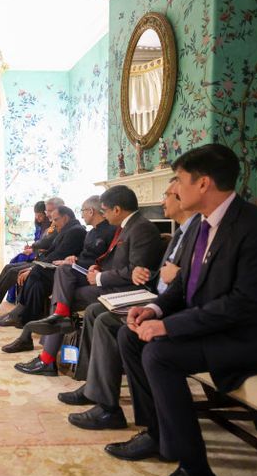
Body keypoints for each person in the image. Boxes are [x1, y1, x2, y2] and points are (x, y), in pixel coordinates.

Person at [108, 144, 257, 476]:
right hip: (215, 326)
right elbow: (182, 285)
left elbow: (242, 304)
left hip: (251, 337)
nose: (174, 189)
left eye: (179, 179)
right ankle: (158, 434)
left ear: (203, 183)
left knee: (160, 354)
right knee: (129, 336)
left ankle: (195, 473)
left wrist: (168, 326)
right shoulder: (198, 226)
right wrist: (153, 309)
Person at [63, 181, 199, 431]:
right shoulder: (179, 232)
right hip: (151, 294)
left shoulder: (145, 228)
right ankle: (94, 386)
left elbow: (176, 277)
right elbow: (153, 271)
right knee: (92, 310)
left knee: (102, 317)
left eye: (168, 194)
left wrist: (118, 276)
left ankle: (106, 404)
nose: (162, 201)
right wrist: (142, 273)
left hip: (149, 297)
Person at [9, 185, 163, 376]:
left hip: (125, 290)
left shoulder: (141, 228)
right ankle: (54, 337)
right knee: (64, 273)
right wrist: (97, 267)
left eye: (105, 210)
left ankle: (48, 356)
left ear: (116, 210)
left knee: (62, 299)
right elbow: (116, 261)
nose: (103, 215)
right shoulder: (127, 227)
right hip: (109, 281)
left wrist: (100, 276)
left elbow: (136, 273)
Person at [5, 196, 116, 329]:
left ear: (91, 211)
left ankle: (28, 317)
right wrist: (74, 258)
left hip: (88, 272)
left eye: (83, 211)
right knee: (37, 280)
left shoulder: (105, 231)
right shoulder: (91, 232)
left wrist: (78, 262)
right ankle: (27, 320)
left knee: (38, 272)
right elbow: (83, 254)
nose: (82, 215)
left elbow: (104, 259)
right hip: (76, 267)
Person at [0, 197, 64, 316]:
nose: (47, 213)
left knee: (13, 271)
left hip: (44, 264)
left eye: (48, 211)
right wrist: (36, 248)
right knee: (9, 267)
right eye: (46, 211)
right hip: (40, 260)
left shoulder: (58, 227)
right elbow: (45, 243)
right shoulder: (51, 225)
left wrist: (35, 248)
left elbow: (46, 244)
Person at [5, 200, 51, 303]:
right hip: (35, 250)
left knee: (20, 258)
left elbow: (46, 246)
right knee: (14, 260)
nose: (37, 218)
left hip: (40, 254)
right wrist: (30, 247)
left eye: (40, 215)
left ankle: (15, 296)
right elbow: (37, 242)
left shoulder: (50, 227)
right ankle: (11, 296)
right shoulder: (38, 225)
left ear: (45, 214)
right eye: (36, 215)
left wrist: (33, 250)